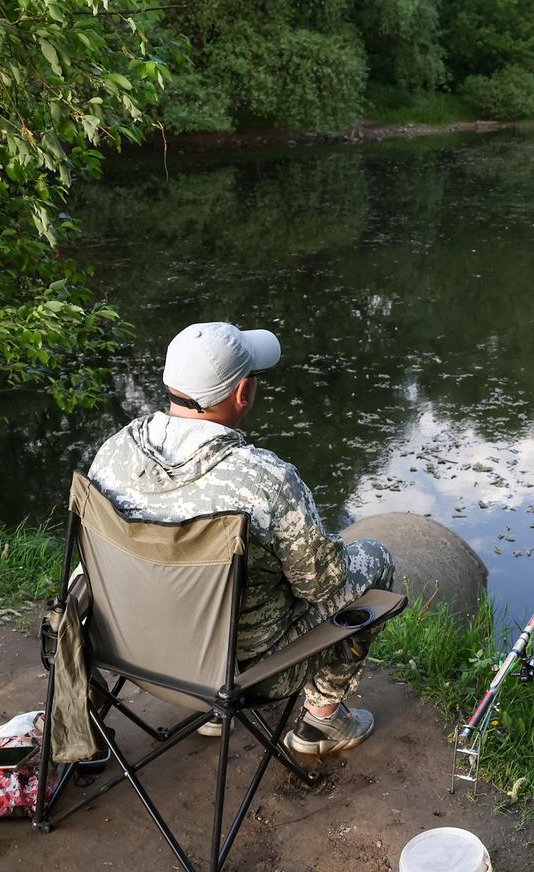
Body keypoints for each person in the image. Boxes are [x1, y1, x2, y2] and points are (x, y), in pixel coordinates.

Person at [87, 321, 395, 755]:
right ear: (241, 394)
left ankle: (214, 716)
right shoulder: (266, 480)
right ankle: (321, 724)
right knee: (375, 560)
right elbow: (323, 585)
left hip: (127, 652)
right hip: (237, 675)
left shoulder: (113, 452)